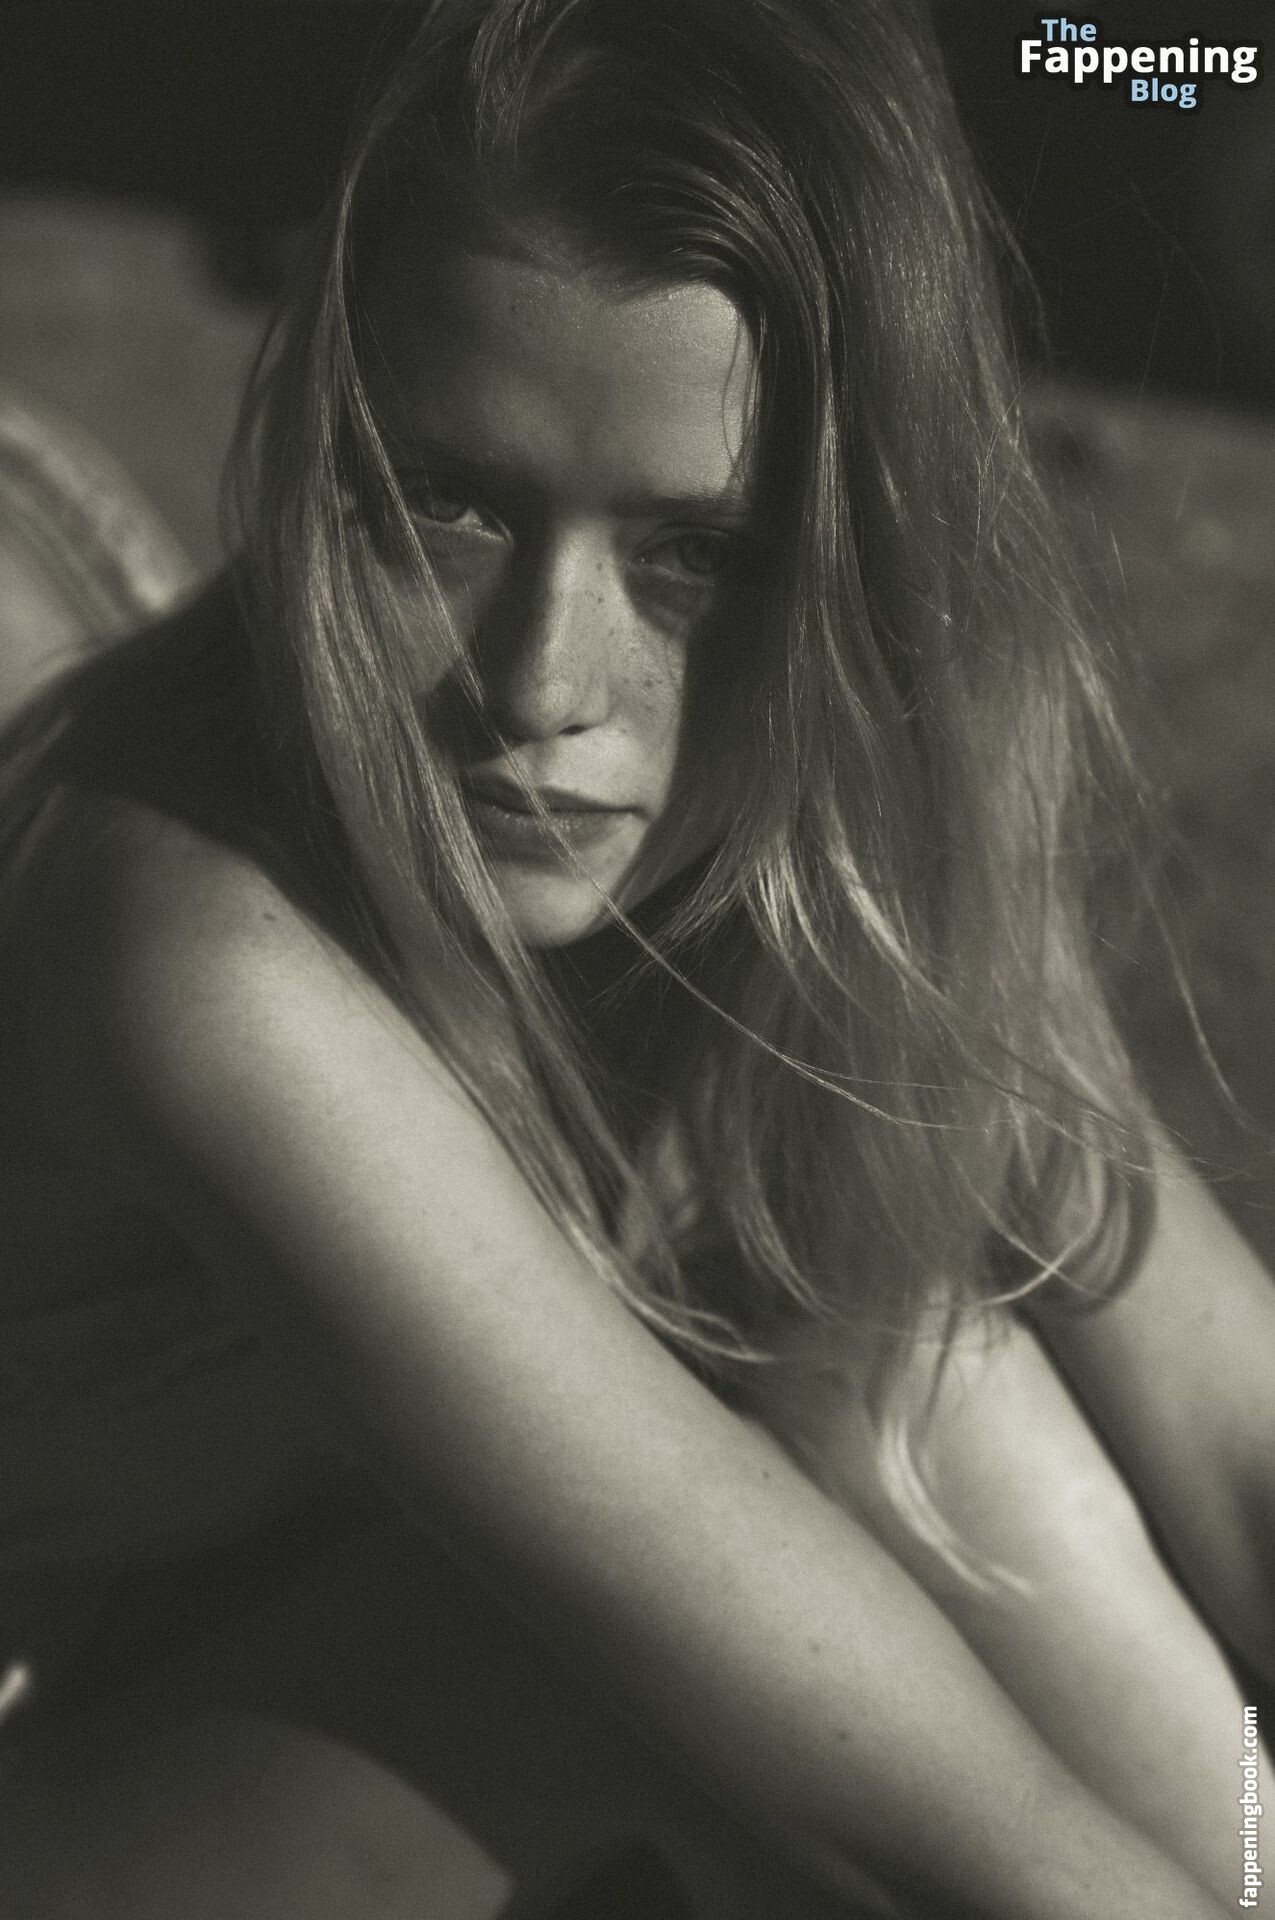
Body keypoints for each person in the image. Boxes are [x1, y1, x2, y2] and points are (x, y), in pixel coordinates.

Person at [0, 0, 1271, 1913]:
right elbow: (896, 1808)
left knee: (902, 1352)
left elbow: (1230, 1429)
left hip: (259, 1616)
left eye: (696, 555)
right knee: (664, 1681)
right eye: (446, 505)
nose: (539, 683)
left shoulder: (870, 774)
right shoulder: (199, 950)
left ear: (869, 548)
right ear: (332, 438)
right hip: (64, 1752)